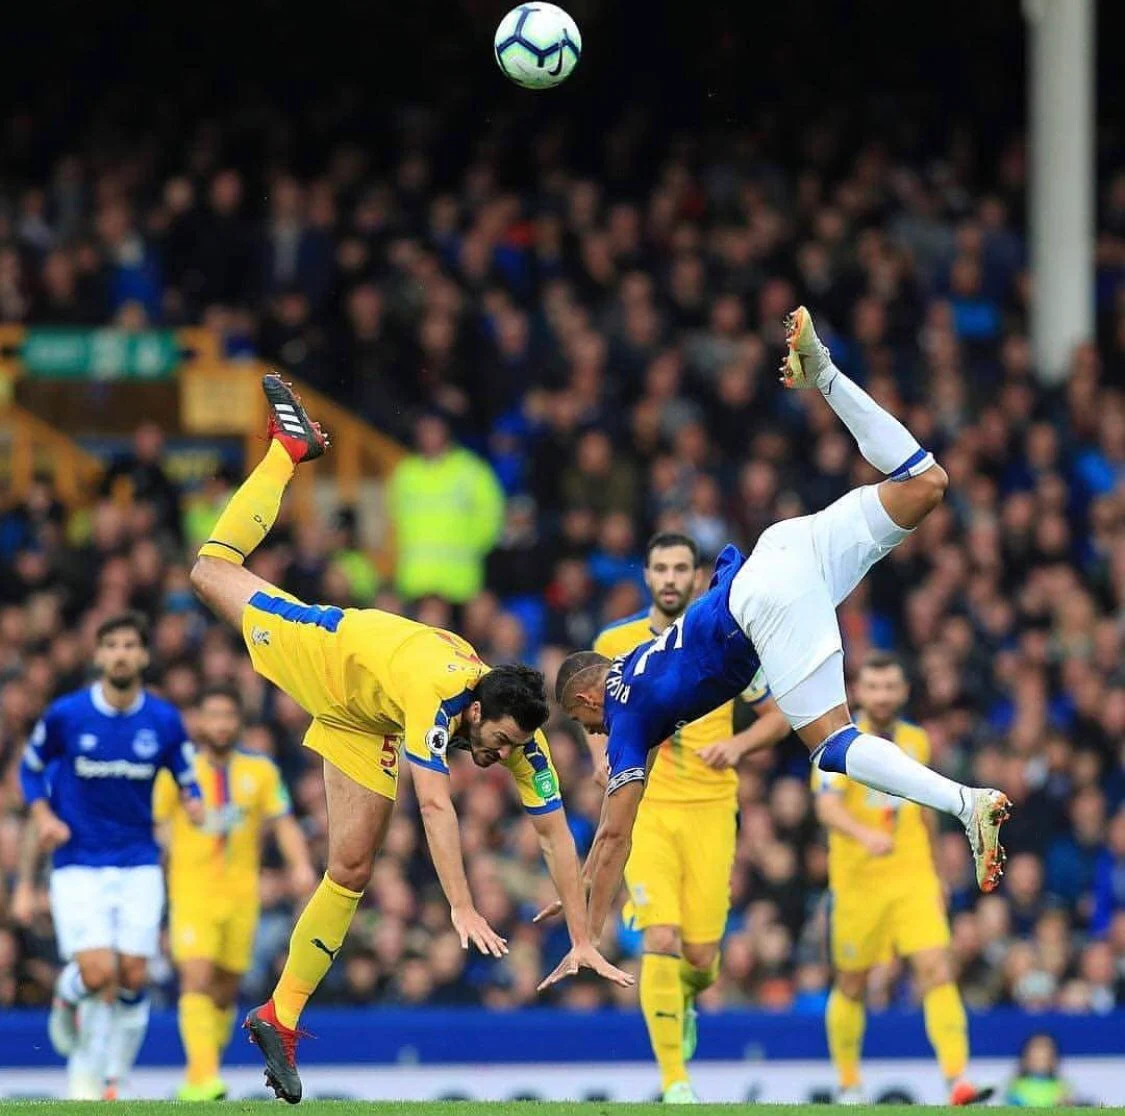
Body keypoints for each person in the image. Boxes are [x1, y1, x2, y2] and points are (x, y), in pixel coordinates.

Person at [189, 374, 630, 1104]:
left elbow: (554, 834)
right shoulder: (440, 695)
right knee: (210, 571)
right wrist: (459, 906)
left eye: (506, 748)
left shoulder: (517, 732)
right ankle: (286, 451)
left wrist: (582, 937)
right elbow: (435, 808)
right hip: (323, 651)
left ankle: (280, 1016)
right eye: (490, 741)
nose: (493, 756)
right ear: (476, 708)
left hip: (368, 714)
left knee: (353, 868)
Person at [543, 308, 1010, 986]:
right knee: (925, 483)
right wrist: (576, 885)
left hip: (762, 606)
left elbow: (615, 832)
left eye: (582, 720)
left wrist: (584, 930)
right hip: (778, 549)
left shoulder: (625, 715)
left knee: (831, 745)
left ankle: (964, 804)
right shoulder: (639, 657)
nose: (592, 731)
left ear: (588, 695)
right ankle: (822, 374)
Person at [584, 532, 790, 1103]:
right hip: (647, 809)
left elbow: (778, 717)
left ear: (697, 577)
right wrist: (602, 763)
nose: (670, 578)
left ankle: (688, 997)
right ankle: (675, 1080)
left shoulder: (722, 635)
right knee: (661, 935)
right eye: (660, 568)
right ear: (646, 576)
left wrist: (740, 745)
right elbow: (590, 715)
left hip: (711, 808)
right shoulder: (615, 642)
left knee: (701, 957)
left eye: (680, 568)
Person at [18, 612, 203, 1099]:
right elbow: (31, 770)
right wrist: (44, 819)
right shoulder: (67, 715)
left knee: (134, 976)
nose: (121, 653)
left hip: (139, 858)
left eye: (129, 645)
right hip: (78, 860)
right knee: (99, 973)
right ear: (98, 656)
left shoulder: (163, 720)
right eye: (112, 645)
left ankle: (113, 1079)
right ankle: (67, 997)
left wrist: (194, 801)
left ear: (143, 656)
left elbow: (187, 773)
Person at [815, 652, 991, 1106]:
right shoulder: (839, 743)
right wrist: (863, 834)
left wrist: (936, 869)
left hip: (913, 878)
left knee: (936, 969)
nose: (882, 695)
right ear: (858, 692)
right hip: (858, 883)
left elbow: (926, 809)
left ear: (903, 691)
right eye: (873, 687)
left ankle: (958, 1081)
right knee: (852, 982)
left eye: (890, 686)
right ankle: (849, 1085)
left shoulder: (917, 740)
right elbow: (826, 806)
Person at [154, 684, 317, 1102]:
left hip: (242, 896)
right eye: (213, 716)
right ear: (200, 722)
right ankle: (201, 1078)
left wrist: (300, 865)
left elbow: (282, 820)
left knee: (225, 988)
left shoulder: (260, 771)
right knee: (196, 976)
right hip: (191, 893)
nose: (221, 724)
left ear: (237, 723)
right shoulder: (178, 769)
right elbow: (157, 824)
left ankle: (208, 1071)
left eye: (228, 716)